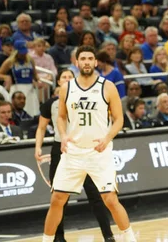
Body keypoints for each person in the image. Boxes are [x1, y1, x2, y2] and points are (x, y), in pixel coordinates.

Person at [41, 46, 136, 242]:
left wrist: (107, 138)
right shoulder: (67, 88)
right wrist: (63, 135)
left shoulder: (107, 86)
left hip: (99, 152)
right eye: (82, 58)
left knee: (110, 199)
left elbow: (119, 119)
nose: (86, 61)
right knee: (57, 200)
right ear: (77, 63)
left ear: (95, 62)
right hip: (73, 152)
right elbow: (60, 117)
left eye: (89, 58)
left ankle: (130, 238)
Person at [35, 69, 114, 242]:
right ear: (58, 82)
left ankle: (108, 235)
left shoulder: (89, 97)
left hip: (85, 149)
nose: (67, 79)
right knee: (59, 198)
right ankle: (59, 237)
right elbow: (41, 128)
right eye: (63, 77)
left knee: (96, 194)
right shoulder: (51, 103)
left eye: (70, 76)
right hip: (61, 150)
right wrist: (38, 147)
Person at [0, 40, 41, 117]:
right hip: (17, 88)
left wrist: (38, 81)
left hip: (30, 89)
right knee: (18, 110)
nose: (23, 54)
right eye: (21, 52)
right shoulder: (10, 61)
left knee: (33, 111)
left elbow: (35, 75)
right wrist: (6, 77)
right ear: (16, 51)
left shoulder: (30, 60)